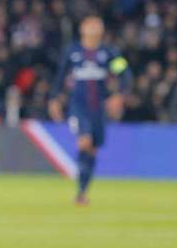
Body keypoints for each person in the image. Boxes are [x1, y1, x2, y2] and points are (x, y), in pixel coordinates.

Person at [48, 16, 131, 205]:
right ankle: (80, 189)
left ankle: (82, 191)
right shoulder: (73, 52)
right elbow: (60, 76)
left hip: (98, 108)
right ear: (82, 29)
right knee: (84, 142)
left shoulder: (108, 53)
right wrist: (54, 99)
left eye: (97, 25)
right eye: (90, 25)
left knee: (93, 149)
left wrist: (119, 95)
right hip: (78, 106)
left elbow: (125, 74)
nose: (93, 29)